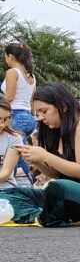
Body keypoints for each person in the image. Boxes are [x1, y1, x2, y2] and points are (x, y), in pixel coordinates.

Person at [0, 83, 80, 226]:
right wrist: (37, 161)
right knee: (10, 194)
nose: (39, 118)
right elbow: (58, 174)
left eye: (44, 111)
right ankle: (40, 214)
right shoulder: (55, 130)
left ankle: (41, 216)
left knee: (57, 188)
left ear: (63, 106)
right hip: (71, 193)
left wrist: (45, 156)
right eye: (37, 113)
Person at [2, 43, 37, 180]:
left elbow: (9, 97)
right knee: (19, 152)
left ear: (10, 56)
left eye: (5, 56)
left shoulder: (12, 72)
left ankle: (11, 186)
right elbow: (32, 101)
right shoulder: (32, 76)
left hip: (15, 116)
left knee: (11, 153)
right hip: (28, 118)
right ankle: (32, 179)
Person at [0, 98, 23, 189]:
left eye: (6, 119)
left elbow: (5, 173)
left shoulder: (14, 138)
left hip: (5, 188)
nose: (2, 125)